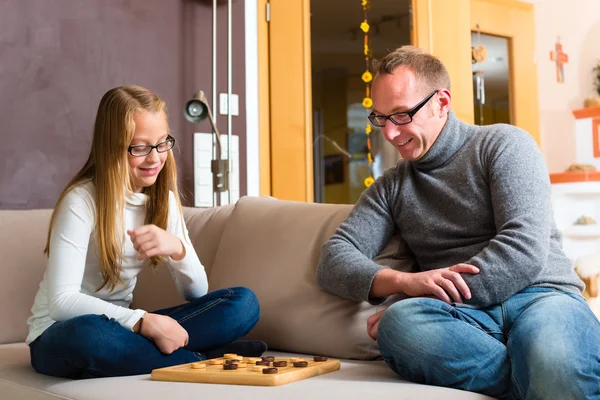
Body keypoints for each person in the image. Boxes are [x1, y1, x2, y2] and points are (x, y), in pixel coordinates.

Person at [317, 46, 600, 400]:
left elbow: (523, 248)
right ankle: (538, 379)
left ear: (441, 103)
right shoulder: (392, 185)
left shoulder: (503, 145)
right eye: (380, 117)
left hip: (541, 296)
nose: (389, 133)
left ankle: (546, 372)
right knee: (399, 324)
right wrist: (405, 284)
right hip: (466, 324)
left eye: (401, 115)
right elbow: (334, 258)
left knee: (553, 356)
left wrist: (442, 294)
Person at [26, 85, 266, 379]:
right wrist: (141, 321)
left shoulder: (162, 200)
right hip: (60, 334)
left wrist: (177, 249)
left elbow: (198, 293)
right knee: (87, 334)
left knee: (242, 304)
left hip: (127, 329)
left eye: (162, 143)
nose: (155, 158)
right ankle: (200, 358)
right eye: (139, 147)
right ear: (111, 146)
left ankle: (165, 356)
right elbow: (62, 303)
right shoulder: (82, 200)